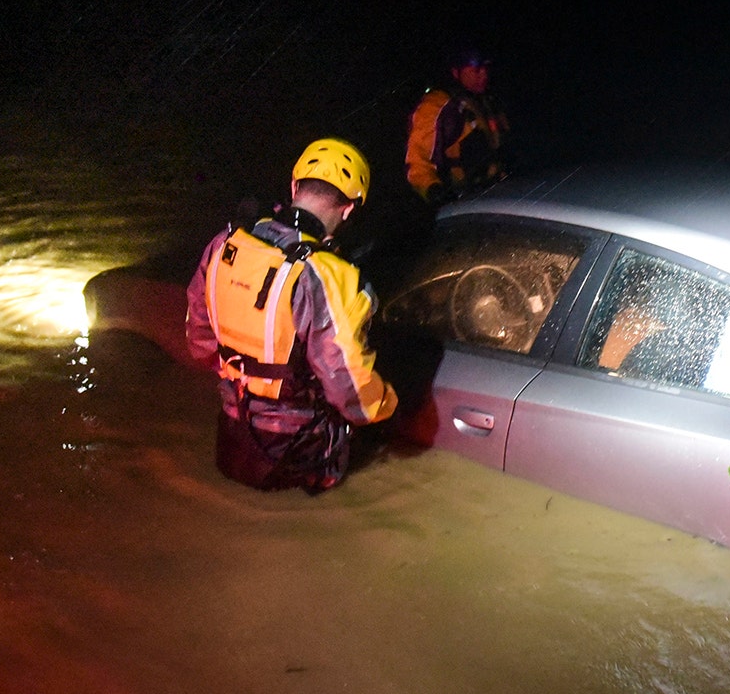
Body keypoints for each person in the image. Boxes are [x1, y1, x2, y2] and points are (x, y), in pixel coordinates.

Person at [184, 138, 399, 493]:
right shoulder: (333, 277)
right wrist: (387, 404)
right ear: (348, 210)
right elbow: (351, 390)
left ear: (295, 187)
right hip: (299, 453)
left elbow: (199, 342)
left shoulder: (225, 243)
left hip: (232, 434)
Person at [405, 47, 509, 205]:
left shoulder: (487, 102)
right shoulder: (438, 105)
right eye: (476, 70)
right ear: (456, 72)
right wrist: (434, 191)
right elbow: (417, 159)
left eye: (485, 69)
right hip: (464, 199)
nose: (483, 75)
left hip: (499, 194)